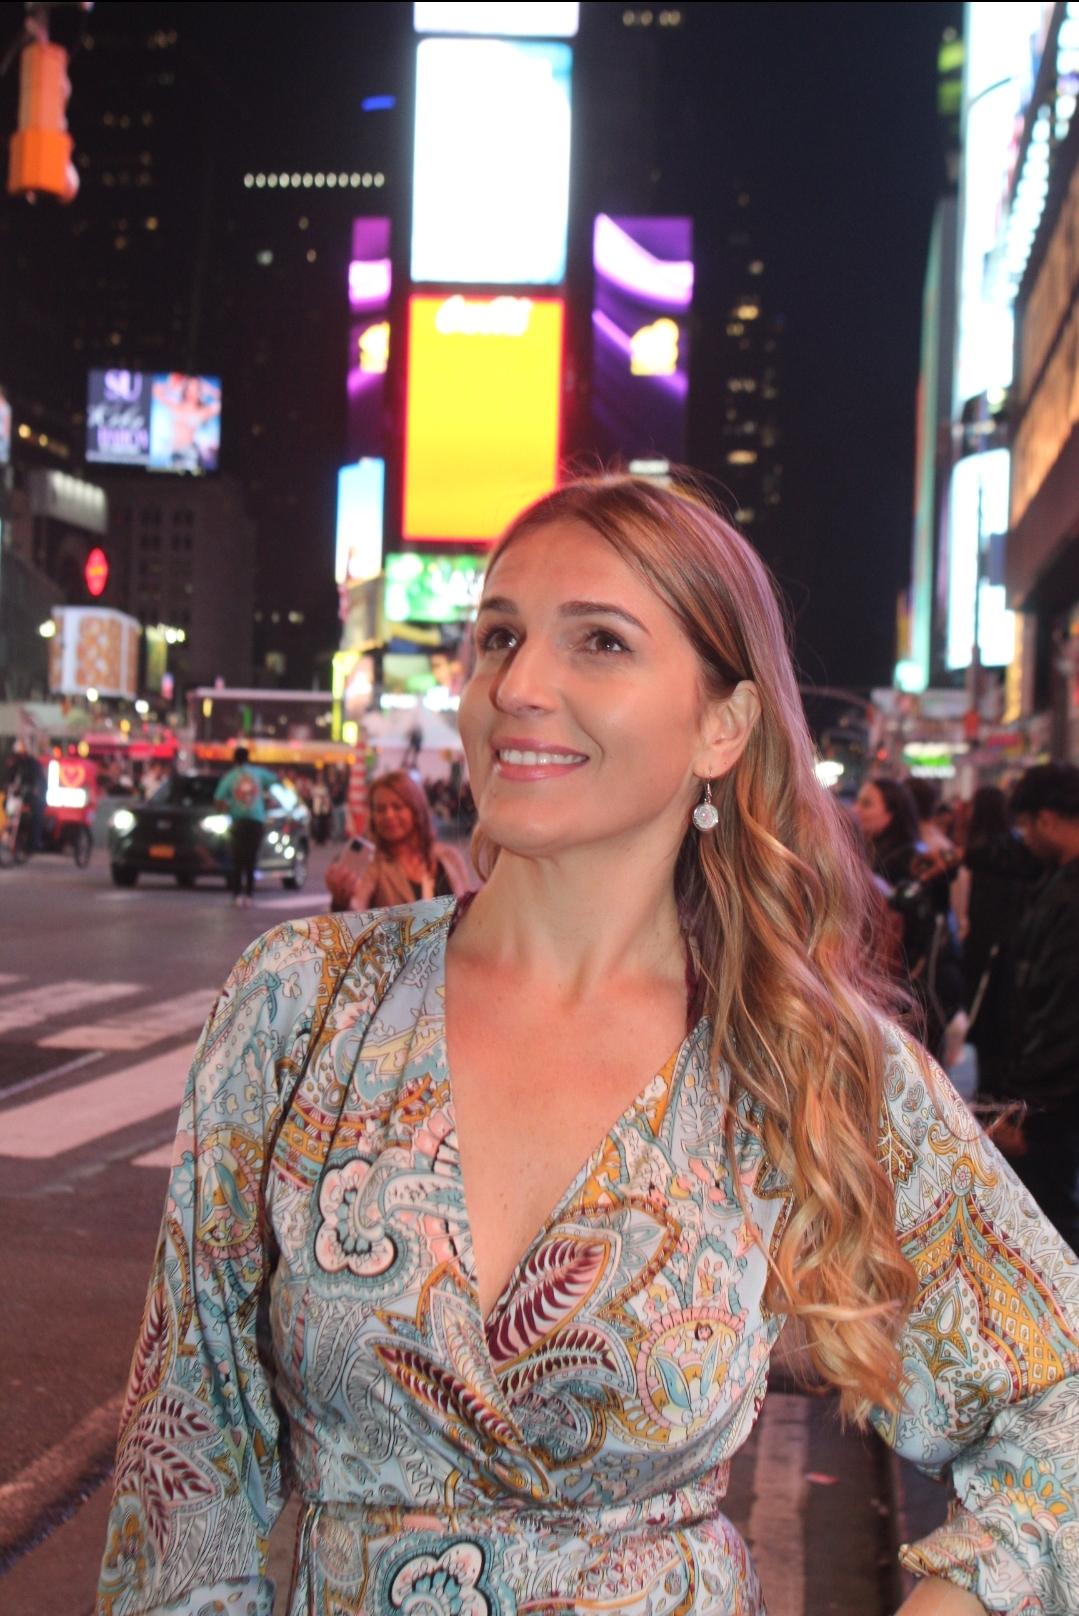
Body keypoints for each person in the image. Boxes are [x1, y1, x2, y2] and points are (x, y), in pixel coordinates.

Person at [97, 476, 1079, 1616]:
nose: (517, 685)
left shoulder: (800, 1057)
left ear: (722, 726)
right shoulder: (303, 1004)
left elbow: (1055, 1400)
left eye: (599, 640)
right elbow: (184, 1468)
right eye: (498, 637)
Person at [999, 763, 1079, 1252]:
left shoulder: (1069, 898)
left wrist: (1029, 1112)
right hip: (1057, 1095)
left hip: (1058, 1102)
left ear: (1047, 819)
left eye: (1026, 825)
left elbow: (1061, 1011)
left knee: (1053, 1219)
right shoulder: (1056, 880)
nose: (1024, 838)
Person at [854, 776, 964, 1061]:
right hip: (896, 987)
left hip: (906, 989)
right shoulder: (878, 854)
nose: (857, 809)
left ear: (893, 813)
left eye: (868, 804)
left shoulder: (908, 861)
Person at [951, 785, 1042, 1100]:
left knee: (991, 1038)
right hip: (1008, 960)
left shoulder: (981, 854)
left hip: (989, 956)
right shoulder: (1018, 854)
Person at [324, 768, 471, 911]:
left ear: (416, 809)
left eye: (397, 807)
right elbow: (356, 907)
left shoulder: (450, 857)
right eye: (380, 809)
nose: (389, 815)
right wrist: (342, 902)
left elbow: (470, 912)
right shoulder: (373, 863)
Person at [212, 744, 278, 908]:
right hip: (256, 822)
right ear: (248, 758)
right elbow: (275, 780)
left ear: (234, 760)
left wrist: (229, 808)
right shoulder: (258, 773)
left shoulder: (230, 776)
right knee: (251, 859)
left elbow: (218, 799)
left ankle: (236, 895)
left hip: (238, 821)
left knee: (237, 860)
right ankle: (249, 894)